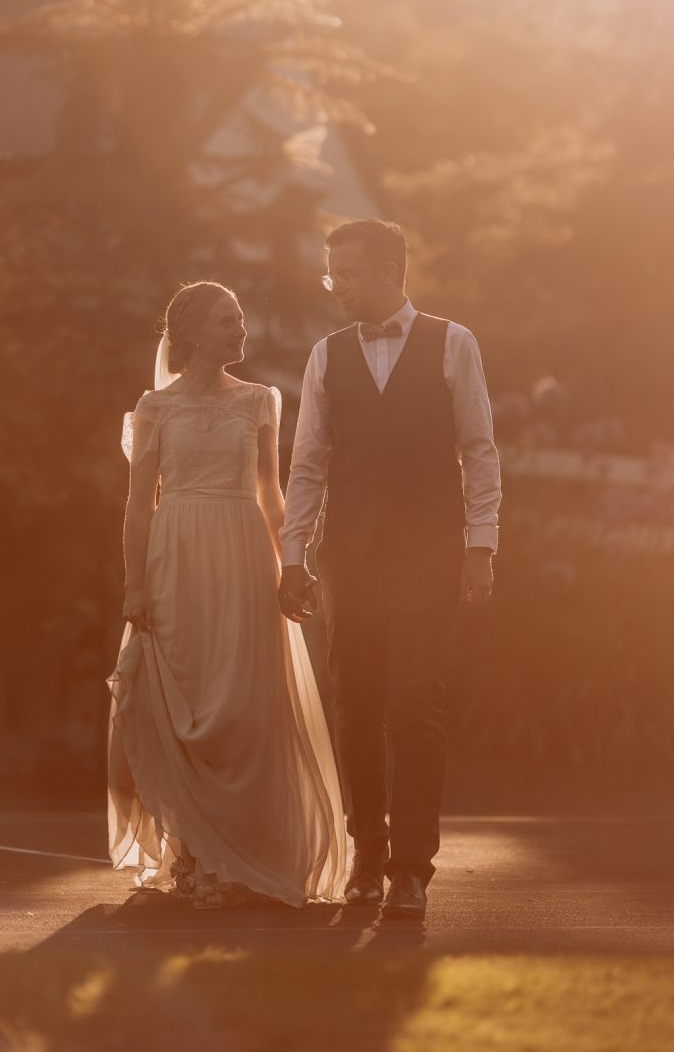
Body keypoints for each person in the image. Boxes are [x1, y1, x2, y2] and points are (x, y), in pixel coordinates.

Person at [278, 220, 501, 921]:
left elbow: (479, 447)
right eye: (330, 274)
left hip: (431, 549)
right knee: (356, 704)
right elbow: (308, 462)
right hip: (348, 553)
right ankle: (365, 857)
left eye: (345, 273)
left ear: (385, 270)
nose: (334, 286)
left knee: (416, 701)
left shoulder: (451, 343)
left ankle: (412, 868)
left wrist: (481, 546)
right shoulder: (325, 356)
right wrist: (293, 555)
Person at [106, 280, 347, 909]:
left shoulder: (259, 402)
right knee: (184, 697)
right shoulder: (154, 408)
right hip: (176, 555)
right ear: (190, 334)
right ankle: (193, 856)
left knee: (243, 704)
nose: (241, 328)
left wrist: (293, 564)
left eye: (240, 317)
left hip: (244, 556)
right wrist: (134, 583)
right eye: (226, 320)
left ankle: (248, 854)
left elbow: (271, 493)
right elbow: (138, 506)